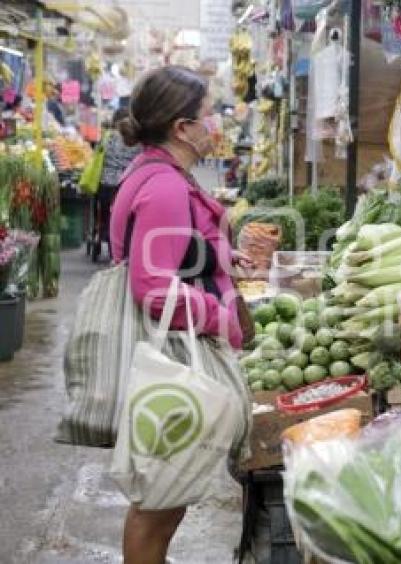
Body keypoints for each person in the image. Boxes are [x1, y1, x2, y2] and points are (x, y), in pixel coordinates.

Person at [109, 65, 251, 564]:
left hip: (166, 351)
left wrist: (219, 258)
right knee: (158, 503)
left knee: (166, 494)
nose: (216, 125)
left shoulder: (157, 172)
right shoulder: (165, 185)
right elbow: (152, 285)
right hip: (172, 354)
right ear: (181, 128)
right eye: (209, 115)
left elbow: (168, 252)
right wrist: (218, 314)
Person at [96, 107, 141, 258]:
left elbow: (98, 154)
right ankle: (124, 251)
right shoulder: (137, 140)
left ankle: (111, 250)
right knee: (126, 220)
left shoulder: (107, 137)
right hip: (128, 184)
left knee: (108, 218)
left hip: (106, 182)